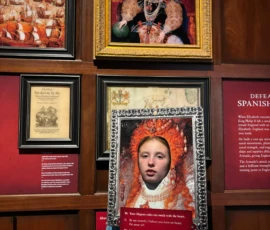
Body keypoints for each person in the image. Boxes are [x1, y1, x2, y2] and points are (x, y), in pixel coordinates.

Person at [119, 118, 195, 217]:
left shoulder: (181, 201)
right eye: (145, 156)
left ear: (171, 161)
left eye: (159, 156)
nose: (150, 162)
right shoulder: (126, 196)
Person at [112, 0, 190, 44]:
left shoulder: (170, 3)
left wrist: (165, 31)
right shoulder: (141, 2)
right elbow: (132, 6)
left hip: (165, 27)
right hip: (139, 26)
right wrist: (125, 19)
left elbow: (175, 16)